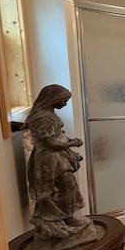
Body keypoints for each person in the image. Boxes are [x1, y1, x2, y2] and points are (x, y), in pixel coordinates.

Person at [25, 84, 91, 240]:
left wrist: (69, 146)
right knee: (54, 191)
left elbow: (58, 136)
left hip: (58, 158)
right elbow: (51, 143)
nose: (65, 104)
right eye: (63, 100)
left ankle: (68, 218)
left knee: (68, 187)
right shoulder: (41, 117)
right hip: (49, 160)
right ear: (53, 99)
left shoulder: (48, 114)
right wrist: (72, 143)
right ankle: (53, 221)